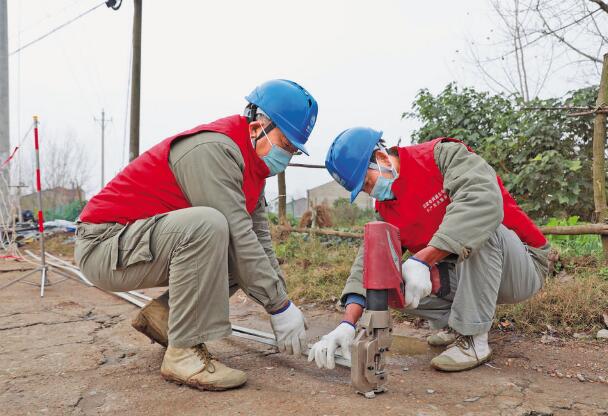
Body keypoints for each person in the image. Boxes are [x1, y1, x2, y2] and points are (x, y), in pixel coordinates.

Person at [75, 79, 318, 391]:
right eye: (285, 145)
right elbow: (237, 235)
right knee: (211, 226)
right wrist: (277, 307)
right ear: (258, 128)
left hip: (132, 245)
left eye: (293, 150)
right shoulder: (213, 151)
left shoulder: (252, 170)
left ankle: (165, 317)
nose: (287, 157)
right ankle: (184, 353)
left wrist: (283, 302)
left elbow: (258, 243)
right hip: (103, 245)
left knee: (235, 253)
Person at [310, 127, 549, 372]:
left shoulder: (442, 156)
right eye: (363, 190)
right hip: (472, 273)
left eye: (368, 183)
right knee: (387, 281)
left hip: (523, 264)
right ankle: (454, 324)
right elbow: (369, 263)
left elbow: (483, 202)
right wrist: (348, 323)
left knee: (481, 226)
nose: (371, 192)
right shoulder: (387, 208)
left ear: (381, 159)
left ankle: (474, 339)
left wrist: (423, 259)